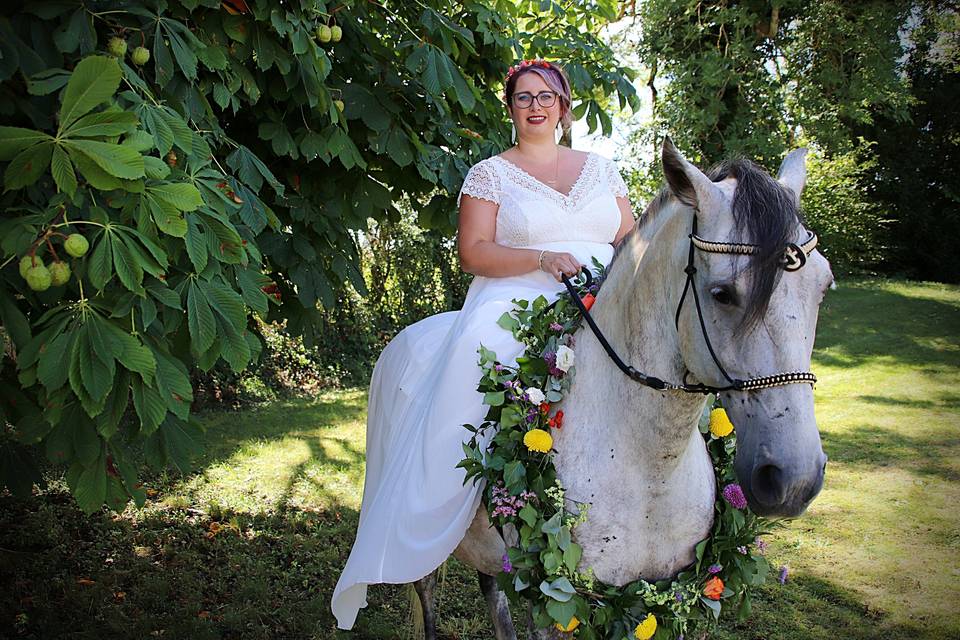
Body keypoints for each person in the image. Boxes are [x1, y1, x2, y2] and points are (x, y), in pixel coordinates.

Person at [331, 59, 635, 630]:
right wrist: (543, 259)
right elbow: (474, 252)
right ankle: (462, 503)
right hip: (517, 296)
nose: (536, 106)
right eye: (524, 98)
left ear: (564, 106)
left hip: (604, 300)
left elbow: (630, 242)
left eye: (547, 97)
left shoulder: (603, 170)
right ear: (513, 109)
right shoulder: (491, 173)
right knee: (481, 368)